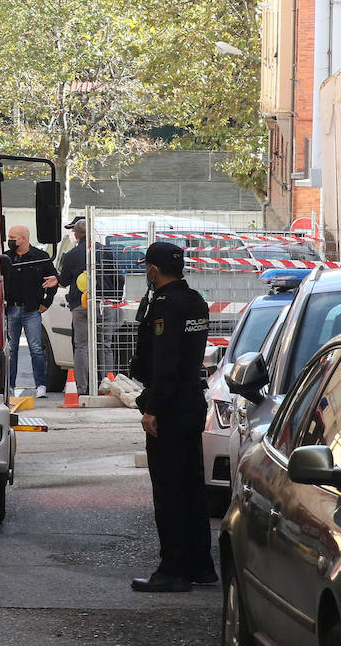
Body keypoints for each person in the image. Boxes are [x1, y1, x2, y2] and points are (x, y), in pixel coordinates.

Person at [128, 239, 217, 592]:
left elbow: (165, 364)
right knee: (192, 488)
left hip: (170, 406)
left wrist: (153, 409)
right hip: (191, 403)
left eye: (146, 268)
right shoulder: (195, 300)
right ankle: (201, 565)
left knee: (168, 493)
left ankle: (173, 570)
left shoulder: (165, 307)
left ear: (153, 269)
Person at [55, 216, 120, 394]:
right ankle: (108, 386)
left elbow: (64, 281)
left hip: (81, 304)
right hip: (106, 303)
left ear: (76, 235)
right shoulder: (105, 251)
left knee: (81, 345)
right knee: (105, 344)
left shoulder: (70, 255)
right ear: (92, 234)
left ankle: (83, 388)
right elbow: (117, 278)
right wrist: (116, 299)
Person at [3, 225, 58, 397]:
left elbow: (53, 280)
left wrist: (46, 302)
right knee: (11, 349)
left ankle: (40, 385)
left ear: (24, 239)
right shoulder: (6, 257)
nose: (10, 240)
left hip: (31, 310)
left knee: (36, 348)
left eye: (13, 237)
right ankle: (9, 385)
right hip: (11, 308)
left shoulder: (40, 257)